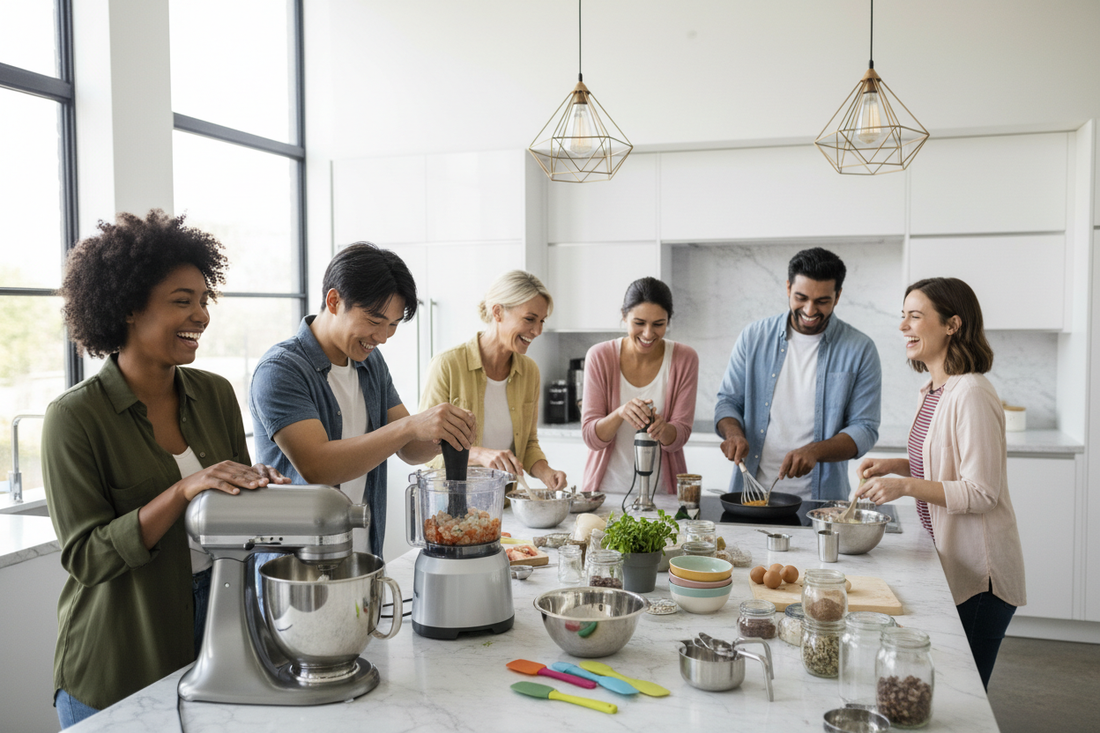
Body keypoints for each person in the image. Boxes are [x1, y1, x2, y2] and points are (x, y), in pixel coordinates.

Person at [42, 210, 290, 728]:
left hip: (217, 628)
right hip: (121, 652)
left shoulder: (215, 393)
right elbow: (87, 557)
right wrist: (183, 491)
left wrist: (262, 492)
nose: (201, 315)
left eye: (204, 301)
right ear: (129, 307)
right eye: (183, 302)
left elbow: (231, 513)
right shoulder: (74, 418)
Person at [249, 242, 476, 558]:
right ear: (334, 300)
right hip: (295, 568)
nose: (382, 337)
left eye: (393, 325)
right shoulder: (281, 370)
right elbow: (319, 467)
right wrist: (412, 425)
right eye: (374, 320)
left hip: (364, 555)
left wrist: (445, 432)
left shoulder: (370, 362)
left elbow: (409, 449)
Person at [854, 277, 1025, 689]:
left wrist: (904, 487)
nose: (903, 327)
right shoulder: (933, 390)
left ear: (952, 325)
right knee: (934, 689)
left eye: (915, 316)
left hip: (980, 578)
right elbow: (941, 464)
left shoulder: (971, 392)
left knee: (962, 697)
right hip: (949, 562)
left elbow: (981, 492)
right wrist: (895, 466)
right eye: (903, 316)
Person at [714, 247, 881, 502]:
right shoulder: (754, 337)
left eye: (822, 301)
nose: (810, 310)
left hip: (821, 502)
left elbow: (865, 428)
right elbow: (728, 402)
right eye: (801, 297)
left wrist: (815, 451)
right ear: (788, 288)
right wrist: (734, 434)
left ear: (838, 296)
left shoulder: (860, 349)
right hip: (751, 494)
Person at [419, 270, 567, 489]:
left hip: (503, 504)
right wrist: (479, 455)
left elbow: (527, 444)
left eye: (542, 321)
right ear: (497, 312)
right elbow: (423, 449)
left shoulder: (529, 371)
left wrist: (546, 472)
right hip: (452, 506)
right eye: (529, 319)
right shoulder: (447, 365)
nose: (537, 331)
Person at [581, 277, 699, 494]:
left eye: (658, 324)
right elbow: (591, 437)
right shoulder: (600, 356)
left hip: (663, 493)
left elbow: (679, 437)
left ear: (668, 321)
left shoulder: (684, 358)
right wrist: (620, 413)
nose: (647, 333)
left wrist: (664, 430)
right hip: (607, 491)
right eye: (639, 323)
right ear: (624, 316)